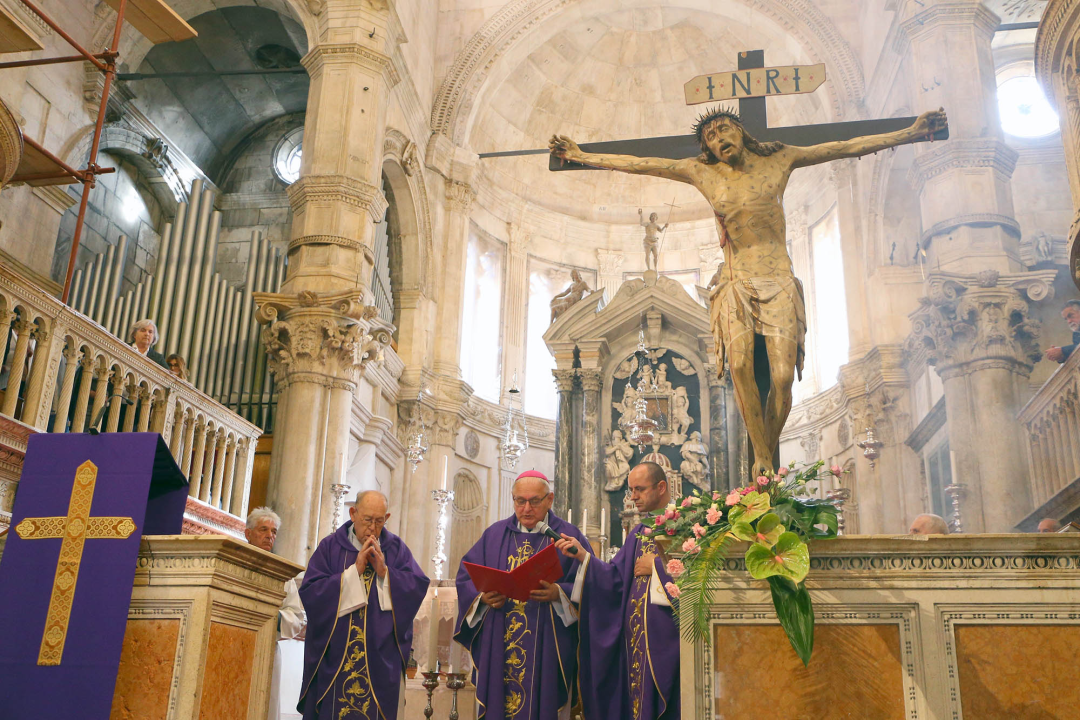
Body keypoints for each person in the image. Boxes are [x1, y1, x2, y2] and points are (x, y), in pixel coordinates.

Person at [551, 107, 948, 477]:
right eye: (710, 136)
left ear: (741, 131)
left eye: (724, 129)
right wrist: (582, 156)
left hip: (778, 278)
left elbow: (843, 146)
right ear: (706, 148)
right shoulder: (701, 172)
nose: (718, 138)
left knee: (782, 376)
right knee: (739, 367)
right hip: (736, 283)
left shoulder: (781, 159)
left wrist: (911, 133)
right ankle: (761, 456)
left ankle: (766, 449)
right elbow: (641, 164)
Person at [454, 470, 593, 720]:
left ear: (549, 500)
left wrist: (559, 593)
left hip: (548, 643)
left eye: (534, 501)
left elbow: (592, 583)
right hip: (500, 638)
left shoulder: (567, 536)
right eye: (520, 501)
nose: (526, 508)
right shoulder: (494, 535)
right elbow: (466, 577)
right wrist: (482, 599)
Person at [555, 461, 679, 720]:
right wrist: (583, 555)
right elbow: (614, 579)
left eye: (639, 489)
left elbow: (698, 575)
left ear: (661, 487)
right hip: (636, 644)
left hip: (668, 643)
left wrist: (657, 565)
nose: (633, 497)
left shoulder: (686, 525)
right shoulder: (638, 532)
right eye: (631, 490)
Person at [298, 491, 428, 719]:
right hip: (336, 660)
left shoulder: (396, 550)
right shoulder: (330, 547)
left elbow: (415, 588)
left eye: (379, 521)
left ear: (387, 518)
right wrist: (353, 572)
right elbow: (311, 593)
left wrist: (385, 572)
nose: (372, 528)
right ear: (353, 514)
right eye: (367, 520)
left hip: (379, 661)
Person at [244, 508, 306, 720]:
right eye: (263, 529)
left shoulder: (282, 573)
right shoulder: (234, 563)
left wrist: (275, 617)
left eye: (274, 531)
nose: (269, 535)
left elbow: (296, 616)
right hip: (235, 644)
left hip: (268, 649)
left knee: (264, 706)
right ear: (248, 533)